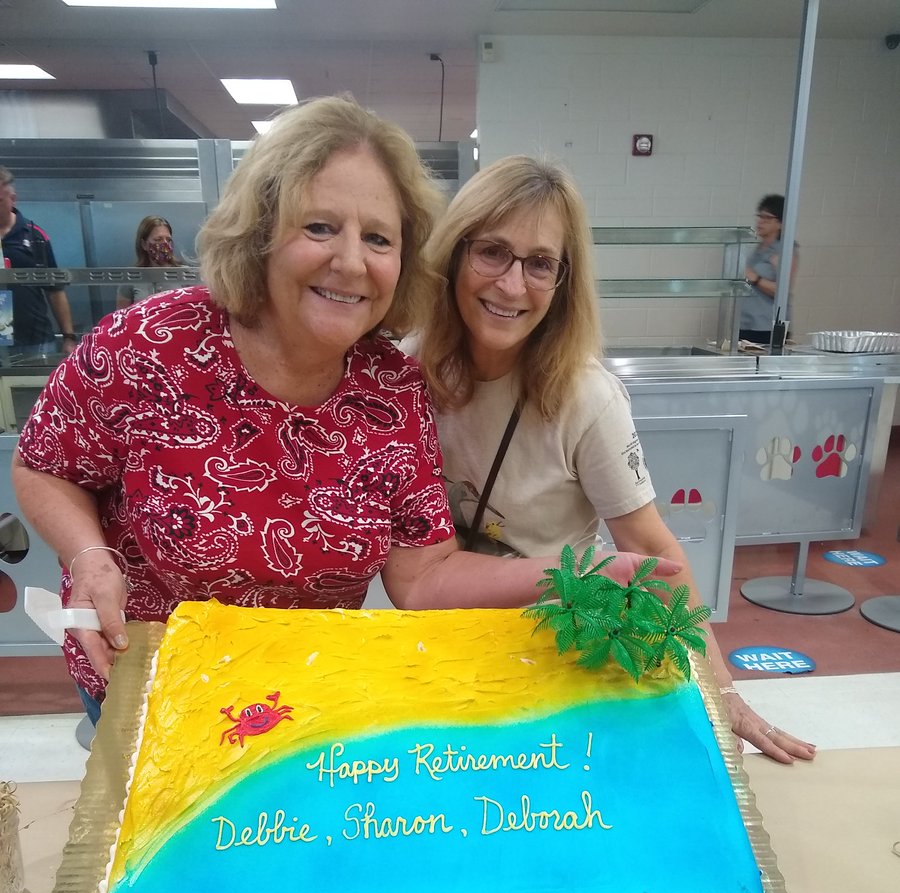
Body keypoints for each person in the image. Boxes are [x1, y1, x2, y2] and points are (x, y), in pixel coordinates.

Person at [11, 98, 665, 726]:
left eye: (378, 238)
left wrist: (571, 575)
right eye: (320, 226)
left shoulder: (392, 390)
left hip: (300, 703)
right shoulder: (152, 343)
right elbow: (42, 464)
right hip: (152, 693)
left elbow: (423, 572)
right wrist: (90, 555)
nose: (350, 262)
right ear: (264, 231)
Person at [410, 156, 815, 766]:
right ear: (454, 254)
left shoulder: (584, 398)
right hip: (437, 629)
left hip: (553, 635)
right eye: (491, 251)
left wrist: (720, 689)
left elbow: (652, 551)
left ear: (564, 281)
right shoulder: (405, 372)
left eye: (541, 264)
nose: (512, 285)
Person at [0, 166, 78, 355]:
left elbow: (55, 291)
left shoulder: (35, 236)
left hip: (34, 341)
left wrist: (68, 337)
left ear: (12, 199)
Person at [739, 194, 796, 345]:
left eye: (767, 218)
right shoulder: (757, 250)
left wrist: (754, 278)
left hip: (766, 327)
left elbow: (781, 291)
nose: (760, 221)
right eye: (760, 216)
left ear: (780, 223)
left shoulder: (784, 251)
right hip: (745, 323)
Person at [116, 215, 184, 309]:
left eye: (168, 240)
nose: (165, 244)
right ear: (144, 244)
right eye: (158, 239)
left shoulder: (184, 274)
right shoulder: (130, 277)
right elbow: (121, 317)